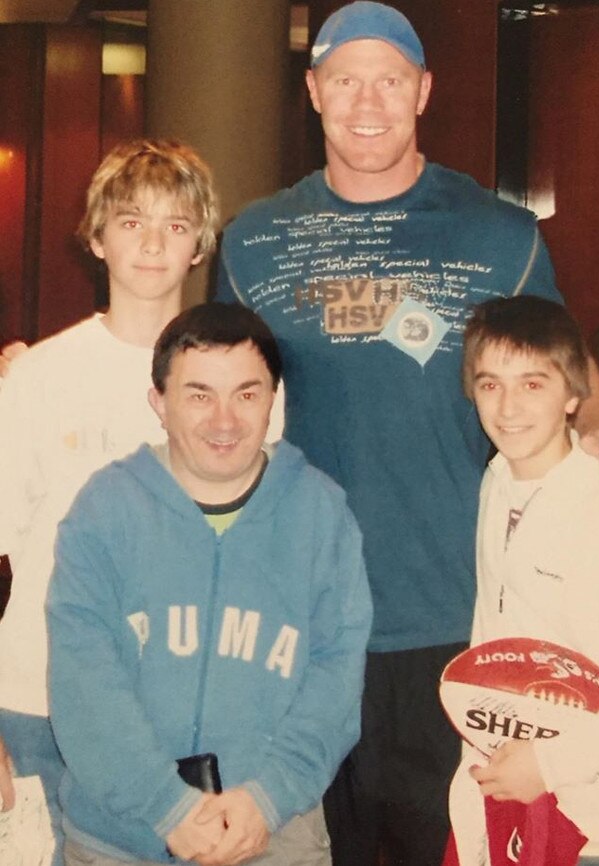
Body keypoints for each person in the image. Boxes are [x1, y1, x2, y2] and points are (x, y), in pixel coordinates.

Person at [215, 3, 599, 864]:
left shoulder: (498, 233)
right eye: (345, 79)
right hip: (302, 617)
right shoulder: (253, 242)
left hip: (454, 619)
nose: (366, 101)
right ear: (313, 91)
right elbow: (206, 395)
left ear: (423, 90)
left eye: (388, 79)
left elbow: (558, 361)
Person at [46, 301, 372, 866]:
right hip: (120, 838)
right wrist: (166, 807)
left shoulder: (322, 514)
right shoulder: (104, 511)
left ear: (275, 399)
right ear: (159, 402)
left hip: (274, 835)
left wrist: (268, 799)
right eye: (200, 394)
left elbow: (336, 679)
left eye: (247, 394)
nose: (225, 421)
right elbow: (84, 681)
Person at [0, 138, 219, 865]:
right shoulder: (38, 379)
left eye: (175, 224)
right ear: (97, 238)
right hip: (38, 706)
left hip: (176, 714)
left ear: (199, 244)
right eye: (131, 222)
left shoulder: (240, 388)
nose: (153, 244)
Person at [448, 294, 599, 866]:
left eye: (533, 384)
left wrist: (550, 764)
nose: (508, 407)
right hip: (527, 811)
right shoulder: (497, 482)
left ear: (573, 396)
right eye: (491, 384)